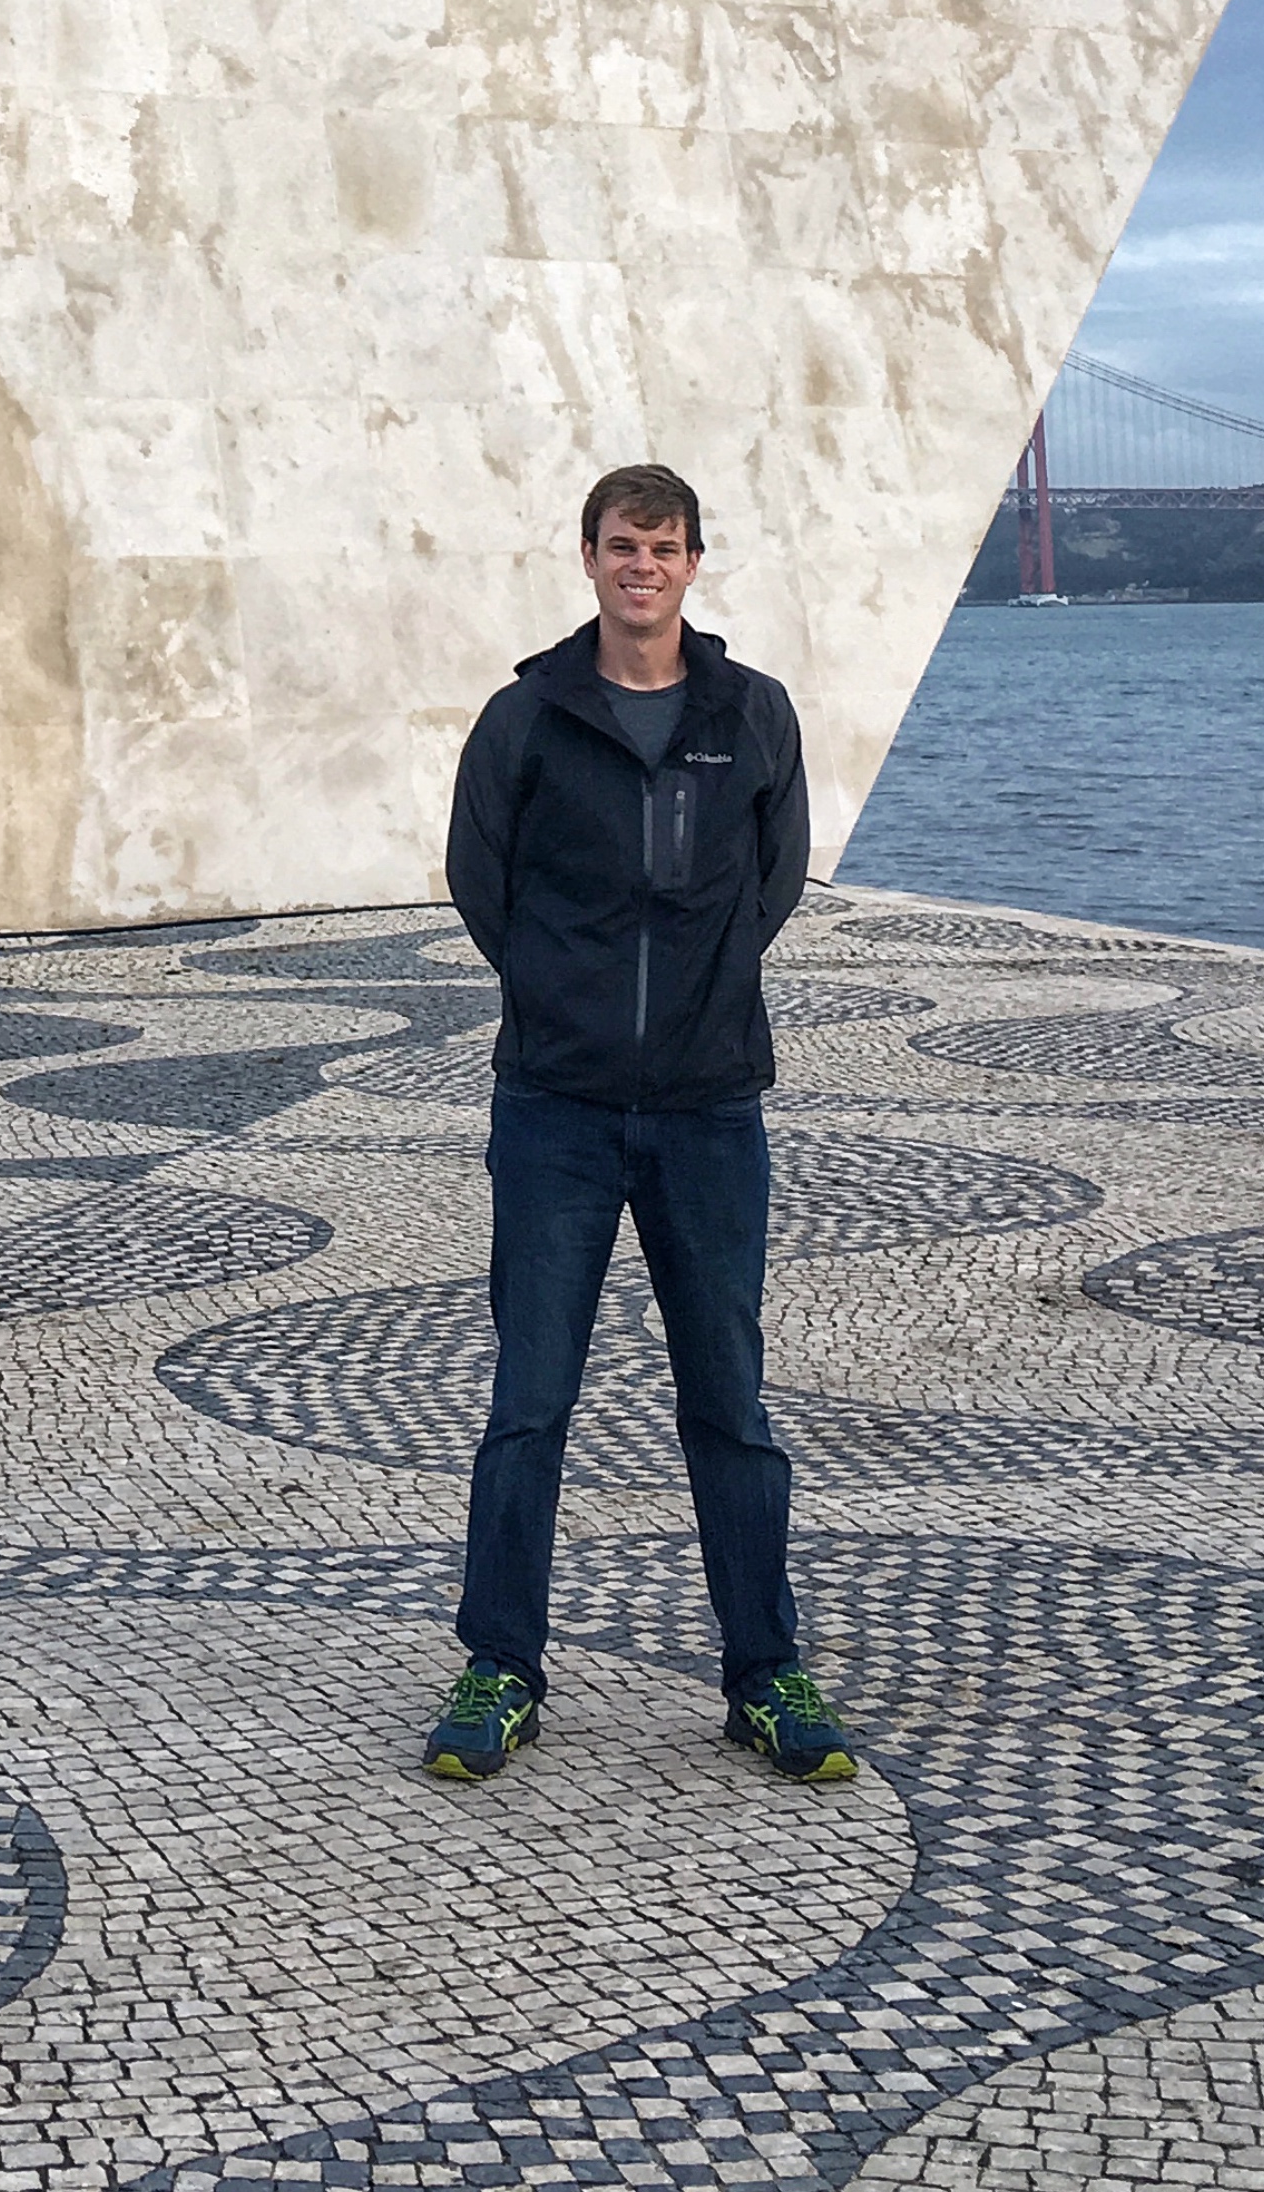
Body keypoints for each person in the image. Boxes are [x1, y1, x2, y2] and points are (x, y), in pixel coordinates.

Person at [426, 462, 854, 1788]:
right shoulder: (528, 718)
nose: (642, 568)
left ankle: (764, 1674)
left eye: (664, 548)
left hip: (709, 1108)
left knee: (729, 1401)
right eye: (623, 546)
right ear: (589, 557)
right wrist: (569, 997)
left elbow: (773, 880)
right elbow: (477, 879)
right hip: (555, 1105)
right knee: (530, 1401)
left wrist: (697, 1000)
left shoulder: (752, 714)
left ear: (694, 562)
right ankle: (501, 1666)